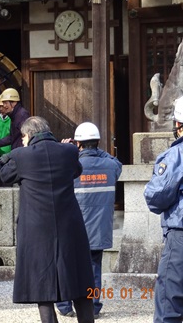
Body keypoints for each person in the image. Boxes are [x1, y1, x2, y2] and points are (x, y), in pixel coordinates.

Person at [0, 116, 95, 323]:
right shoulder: (69, 151)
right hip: (69, 223)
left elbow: (4, 175)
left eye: (23, 138)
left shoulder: (21, 156)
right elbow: (76, 171)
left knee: (42, 281)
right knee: (78, 276)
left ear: (27, 135)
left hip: (36, 227)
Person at [56, 122, 122, 319]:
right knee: (94, 268)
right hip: (99, 230)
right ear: (98, 142)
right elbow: (114, 161)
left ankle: (65, 305)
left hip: (73, 230)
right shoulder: (111, 166)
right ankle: (93, 306)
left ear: (77, 143)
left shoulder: (69, 165)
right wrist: (96, 150)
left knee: (67, 266)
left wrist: (65, 150)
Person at [144, 96, 183, 323]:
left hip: (180, 235)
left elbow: (156, 196)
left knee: (170, 299)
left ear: (178, 125)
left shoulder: (176, 155)